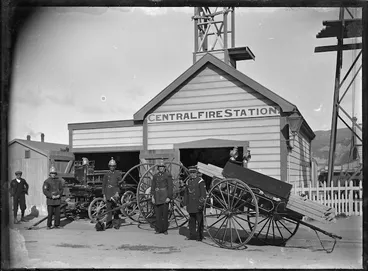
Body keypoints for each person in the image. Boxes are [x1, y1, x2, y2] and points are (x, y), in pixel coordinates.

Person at [151, 160, 173, 235]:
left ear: (164, 168)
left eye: (162, 167)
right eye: (160, 167)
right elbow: (153, 187)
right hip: (157, 196)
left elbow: (170, 187)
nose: (161, 168)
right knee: (158, 214)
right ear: (158, 168)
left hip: (164, 196)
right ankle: (158, 229)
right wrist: (152, 197)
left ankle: (165, 229)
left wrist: (169, 197)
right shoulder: (155, 176)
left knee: (165, 214)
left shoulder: (168, 175)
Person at [184, 166, 206, 241]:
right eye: (191, 173)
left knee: (199, 222)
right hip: (191, 205)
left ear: (196, 173)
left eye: (194, 173)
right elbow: (186, 194)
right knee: (191, 221)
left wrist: (201, 204)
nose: (192, 174)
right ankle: (192, 235)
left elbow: (203, 194)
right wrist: (186, 204)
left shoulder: (200, 181)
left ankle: (200, 236)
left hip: (197, 204)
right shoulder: (188, 182)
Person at [102, 157, 122, 229]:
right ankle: (109, 224)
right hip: (108, 193)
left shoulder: (118, 174)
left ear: (115, 166)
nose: (112, 167)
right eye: (111, 166)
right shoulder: (106, 174)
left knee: (116, 210)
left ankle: (116, 224)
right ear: (109, 166)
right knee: (109, 210)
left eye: (113, 166)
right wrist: (104, 195)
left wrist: (117, 193)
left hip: (115, 194)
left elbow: (120, 185)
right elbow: (104, 185)